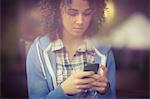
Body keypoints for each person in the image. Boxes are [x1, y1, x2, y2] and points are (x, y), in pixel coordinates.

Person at [26, 0, 116, 99]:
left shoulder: (104, 51)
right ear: (57, 12)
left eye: (87, 13)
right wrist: (63, 90)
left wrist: (105, 91)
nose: (80, 21)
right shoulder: (39, 51)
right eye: (72, 13)